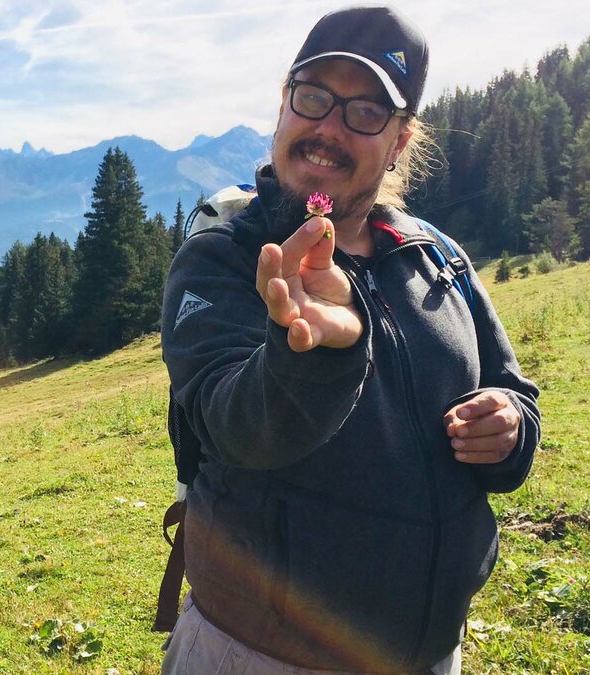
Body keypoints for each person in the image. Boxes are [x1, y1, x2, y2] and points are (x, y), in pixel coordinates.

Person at [159, 5, 541, 674]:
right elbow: (233, 423)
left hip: (429, 655)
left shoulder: (438, 258)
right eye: (314, 98)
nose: (328, 129)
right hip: (253, 654)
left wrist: (511, 429)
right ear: (284, 104)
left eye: (365, 113)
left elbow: (512, 391)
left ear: (398, 142)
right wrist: (315, 356)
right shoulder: (224, 255)